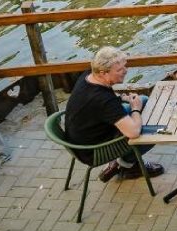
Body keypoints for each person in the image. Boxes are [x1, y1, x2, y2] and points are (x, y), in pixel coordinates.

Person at [63, 47, 165, 182]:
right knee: (156, 132)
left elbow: (107, 96)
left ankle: (121, 163)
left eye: (125, 66)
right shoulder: (103, 101)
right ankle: (127, 165)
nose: (125, 71)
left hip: (83, 138)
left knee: (144, 100)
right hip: (94, 151)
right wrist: (135, 109)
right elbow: (133, 132)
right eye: (119, 70)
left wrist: (123, 98)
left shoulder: (89, 75)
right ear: (103, 73)